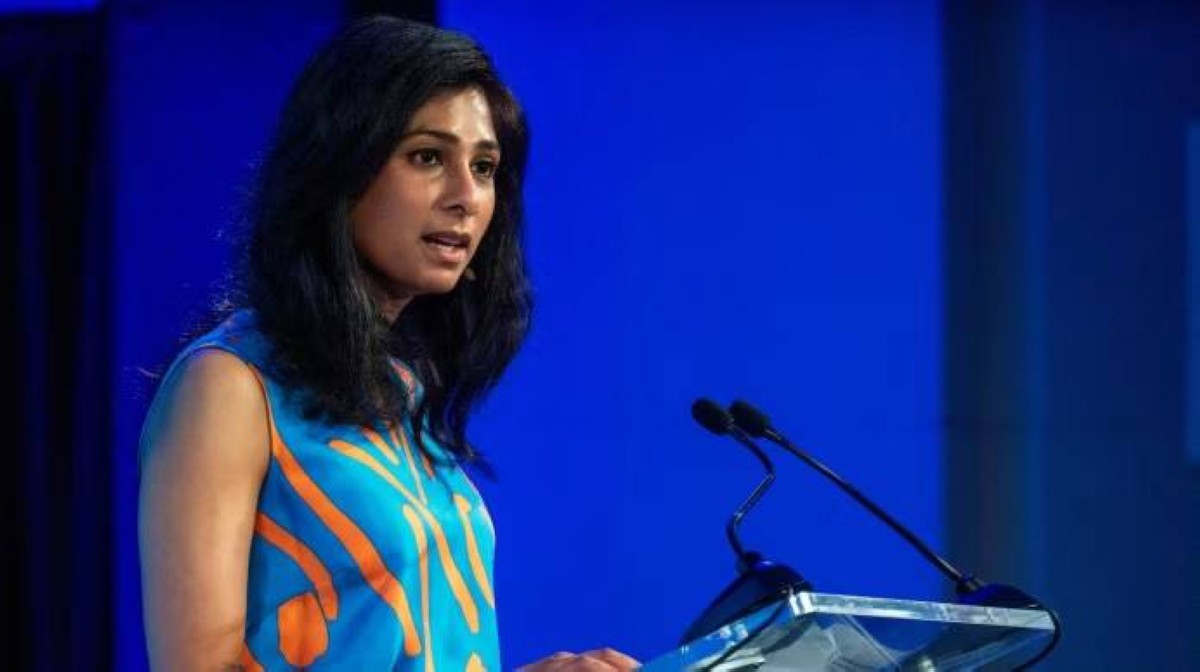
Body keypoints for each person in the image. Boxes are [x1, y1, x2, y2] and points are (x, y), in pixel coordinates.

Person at [138, 16, 638, 672]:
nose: (467, 197)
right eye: (428, 157)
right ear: (338, 170)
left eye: (484, 166)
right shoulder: (228, 386)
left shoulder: (404, 390)